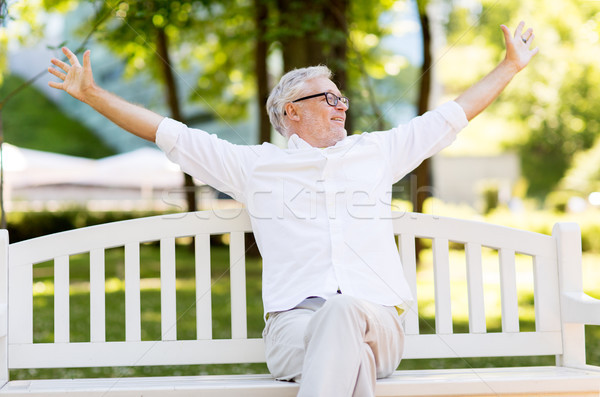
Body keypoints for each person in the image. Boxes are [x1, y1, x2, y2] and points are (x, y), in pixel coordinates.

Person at [48, 21, 538, 397]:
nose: (342, 105)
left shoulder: (376, 152)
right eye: (328, 97)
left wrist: (510, 67)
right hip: (294, 329)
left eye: (342, 97)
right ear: (291, 113)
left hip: (377, 322)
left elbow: (452, 115)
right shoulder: (255, 167)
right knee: (351, 362)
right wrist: (90, 93)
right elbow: (166, 133)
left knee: (346, 314)